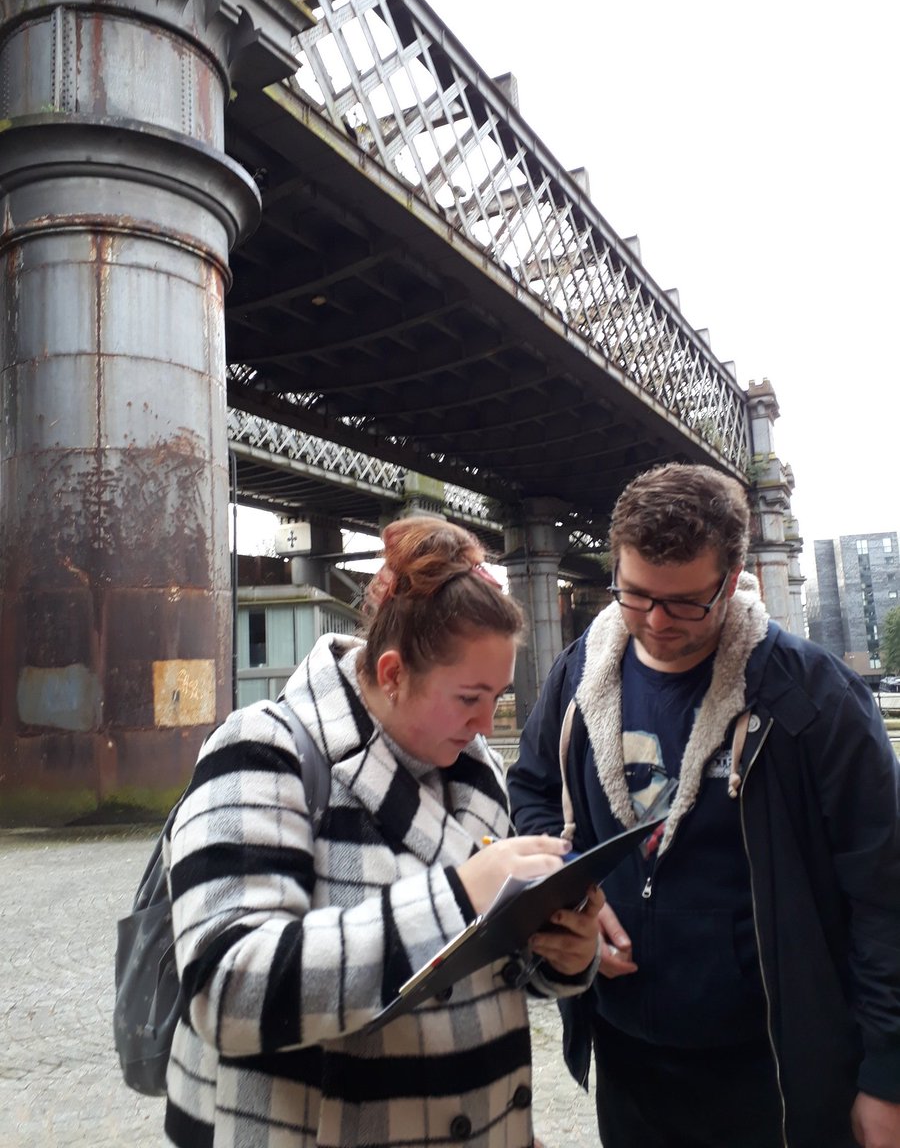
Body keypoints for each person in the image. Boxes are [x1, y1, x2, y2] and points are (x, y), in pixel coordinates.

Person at [163, 515, 603, 1148]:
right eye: (469, 697)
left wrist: (560, 953)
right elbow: (226, 988)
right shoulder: (264, 750)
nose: (486, 724)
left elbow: (484, 963)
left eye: (500, 697)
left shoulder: (477, 775)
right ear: (393, 673)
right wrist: (459, 895)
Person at [507, 463, 900, 1148]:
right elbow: (533, 791)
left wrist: (887, 1078)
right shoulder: (576, 675)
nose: (656, 622)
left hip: (774, 1067)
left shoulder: (813, 699)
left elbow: (884, 896)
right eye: (634, 595)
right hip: (628, 1059)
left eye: (687, 602)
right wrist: (572, 896)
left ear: (736, 571)